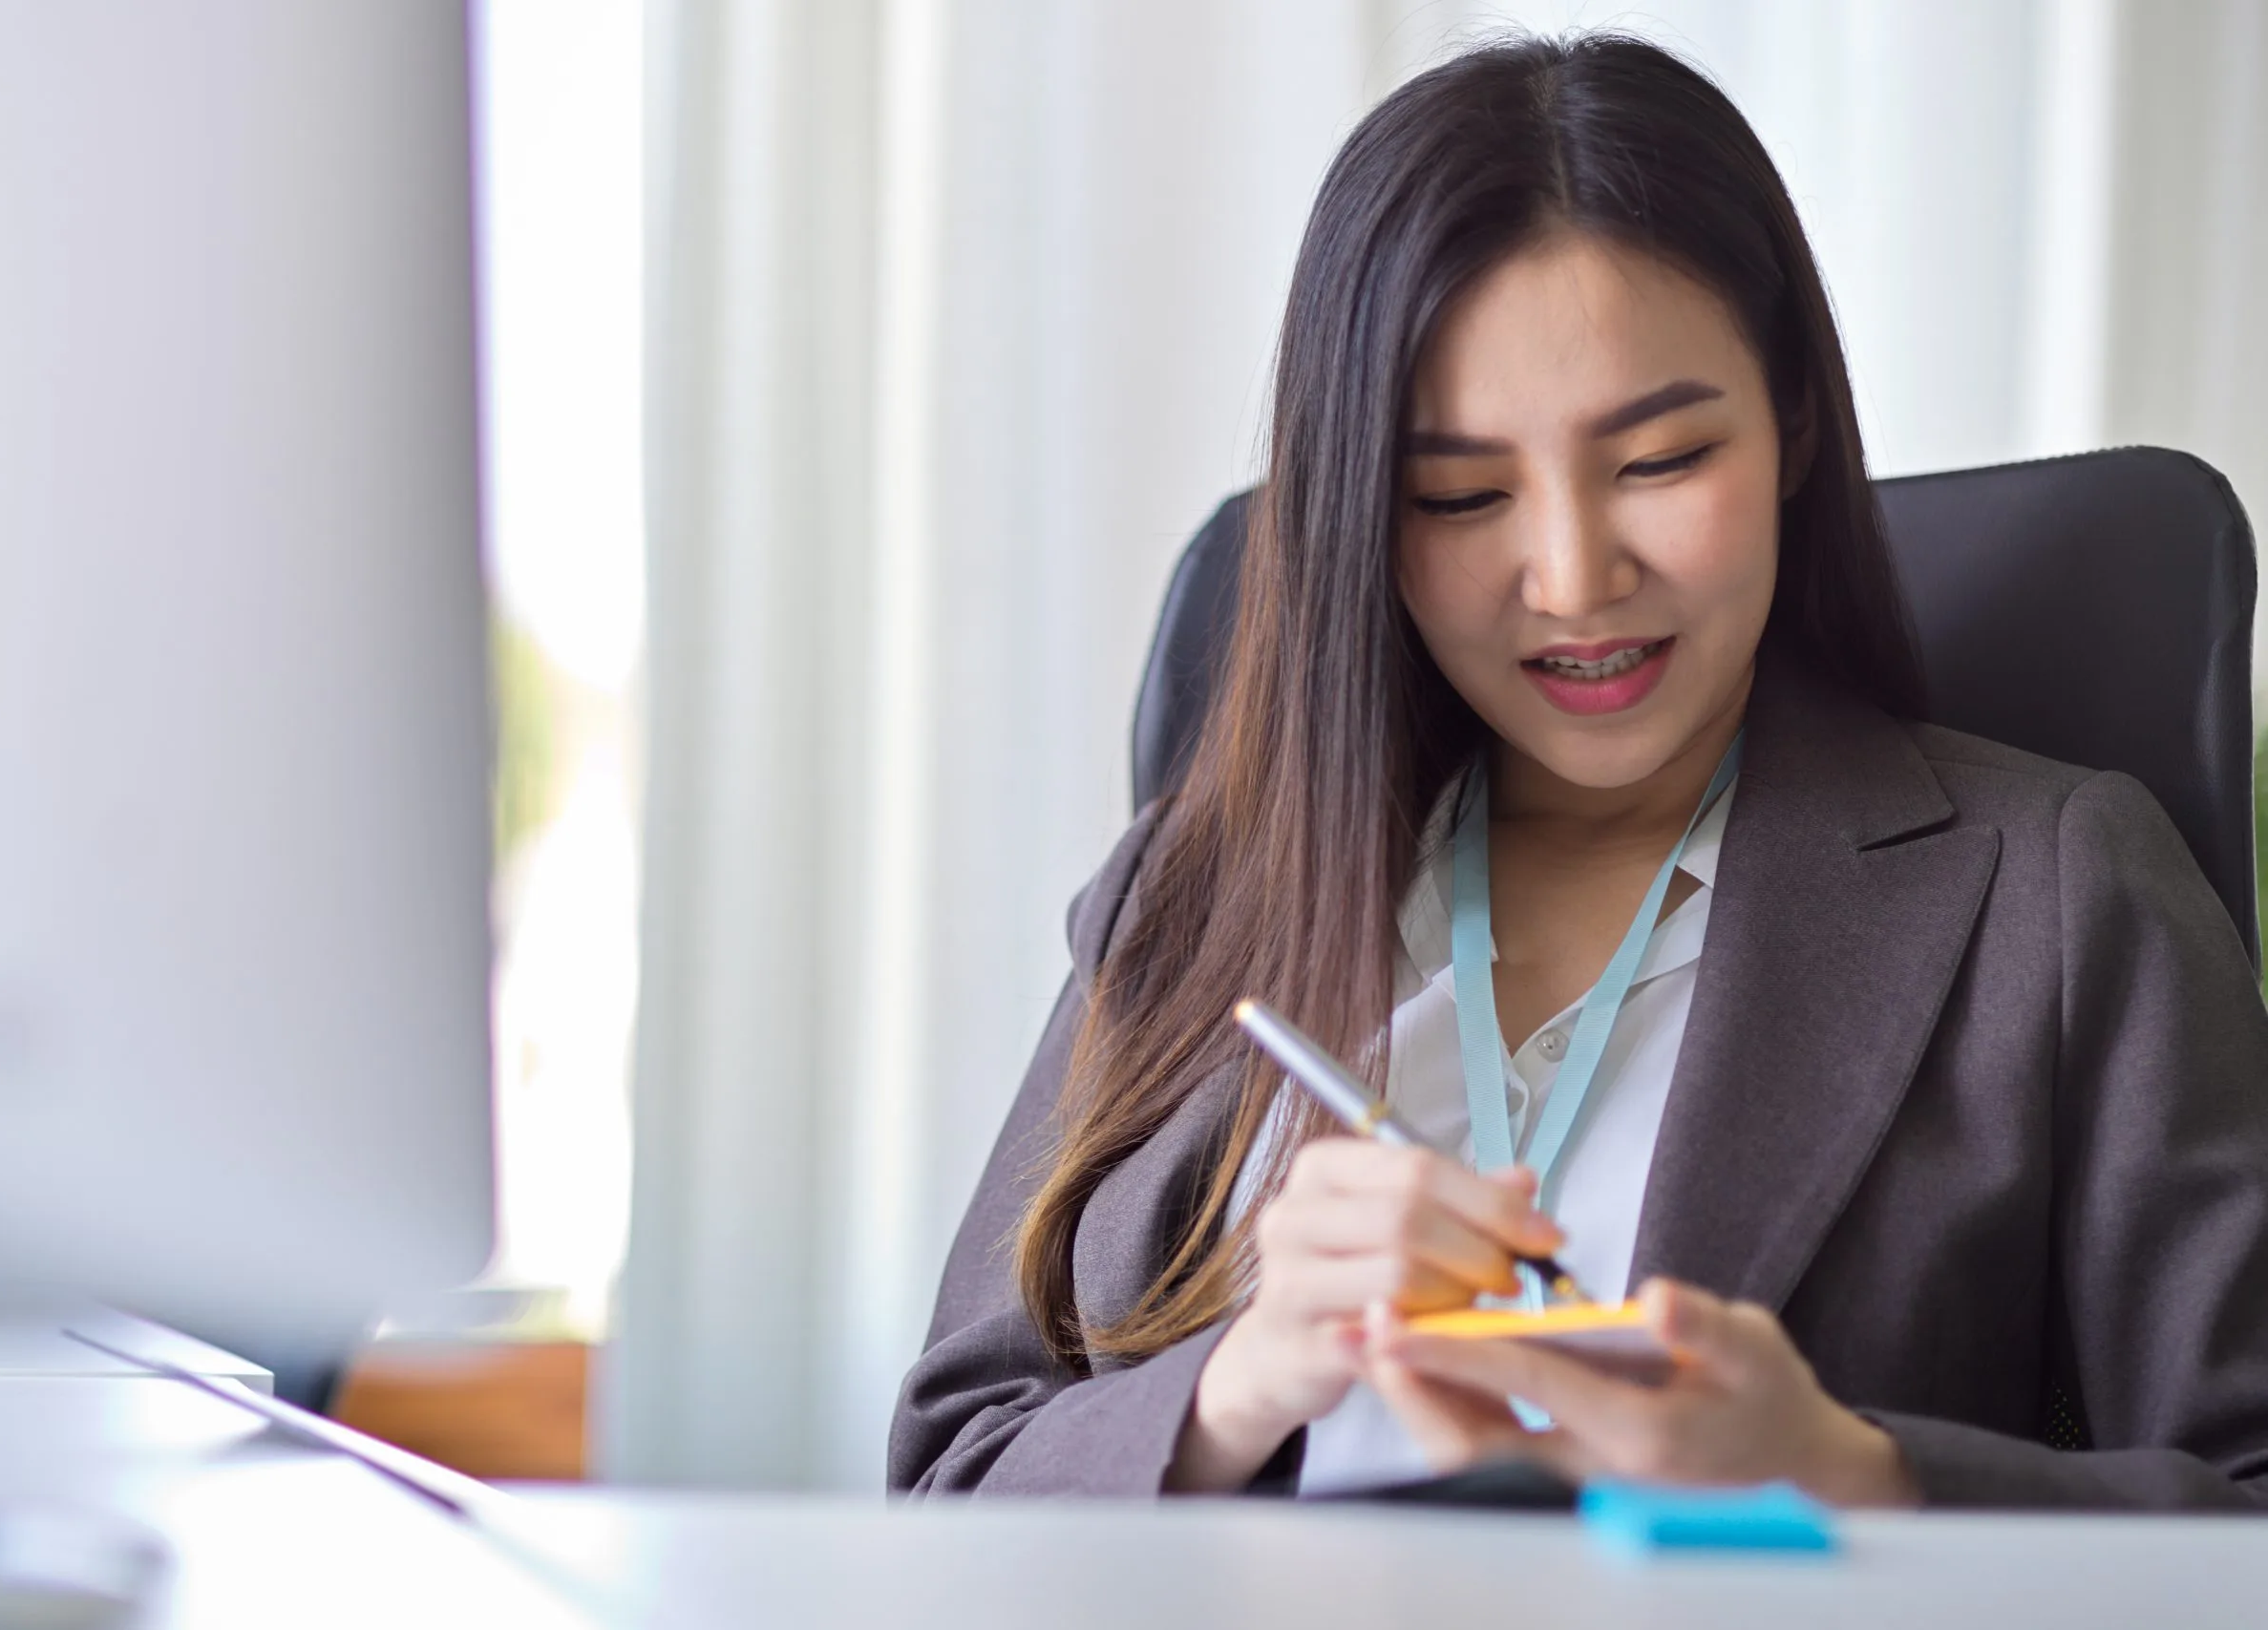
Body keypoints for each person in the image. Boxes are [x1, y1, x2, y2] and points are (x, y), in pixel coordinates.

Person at [889, 32, 2268, 1509]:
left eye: (1662, 460)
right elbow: (951, 1482)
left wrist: (1854, 1470)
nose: (1570, 576)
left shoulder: (2055, 892)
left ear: (1793, 421)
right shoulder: (1189, 892)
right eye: (1462, 493)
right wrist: (1241, 1381)